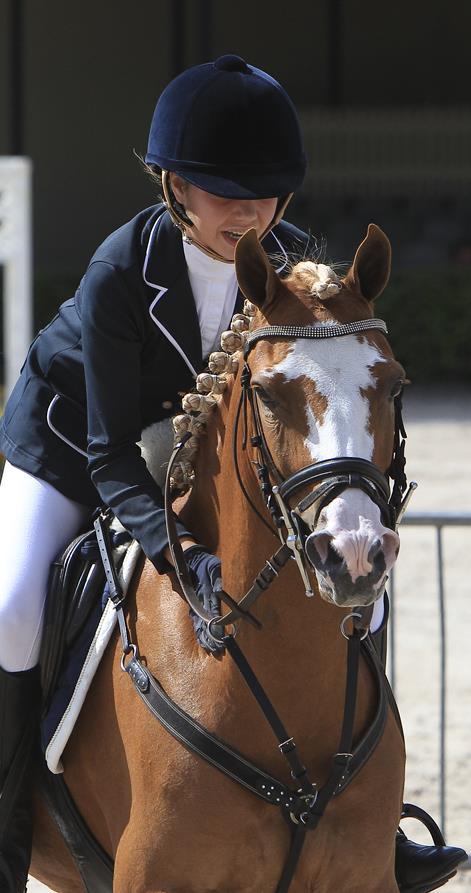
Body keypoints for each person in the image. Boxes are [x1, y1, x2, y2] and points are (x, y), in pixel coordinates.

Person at [0, 54, 466, 893]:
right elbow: (111, 455)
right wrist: (182, 552)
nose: (247, 209)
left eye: (264, 191)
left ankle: (372, 819)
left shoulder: (289, 268)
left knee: (366, 587)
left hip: (194, 449)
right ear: (173, 184)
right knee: (12, 608)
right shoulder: (119, 271)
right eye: (222, 188)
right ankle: (4, 825)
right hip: (73, 447)